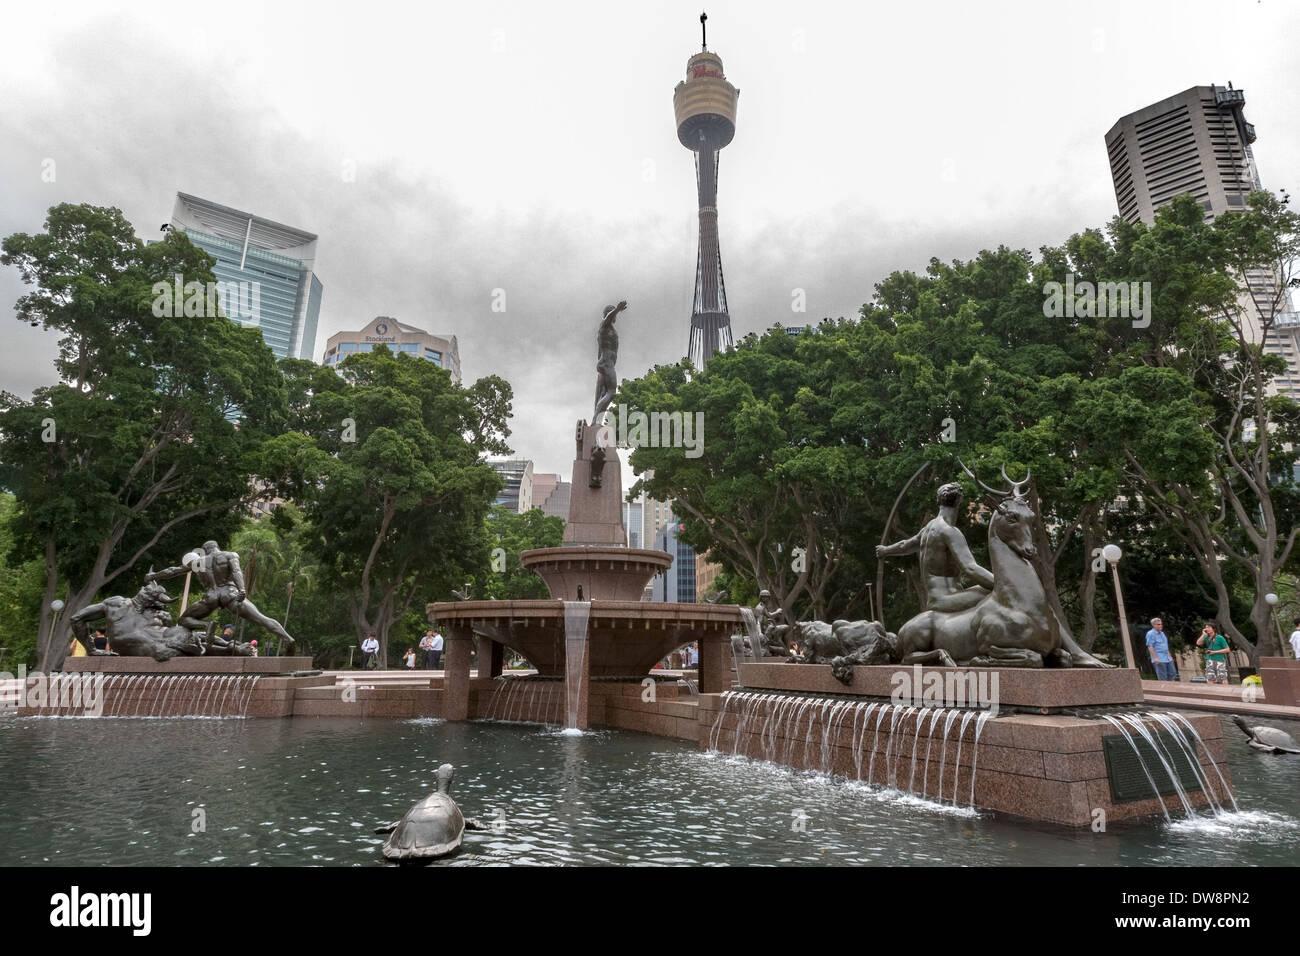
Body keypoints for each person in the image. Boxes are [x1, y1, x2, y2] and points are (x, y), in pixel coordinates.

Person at [147, 540, 294, 649]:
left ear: (205, 550)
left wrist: (153, 576)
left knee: (184, 619)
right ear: (217, 547)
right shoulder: (229, 555)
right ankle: (287, 639)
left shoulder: (198, 562)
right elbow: (237, 572)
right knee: (261, 619)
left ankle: (206, 625)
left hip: (210, 597)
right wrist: (242, 590)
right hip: (229, 594)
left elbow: (173, 571)